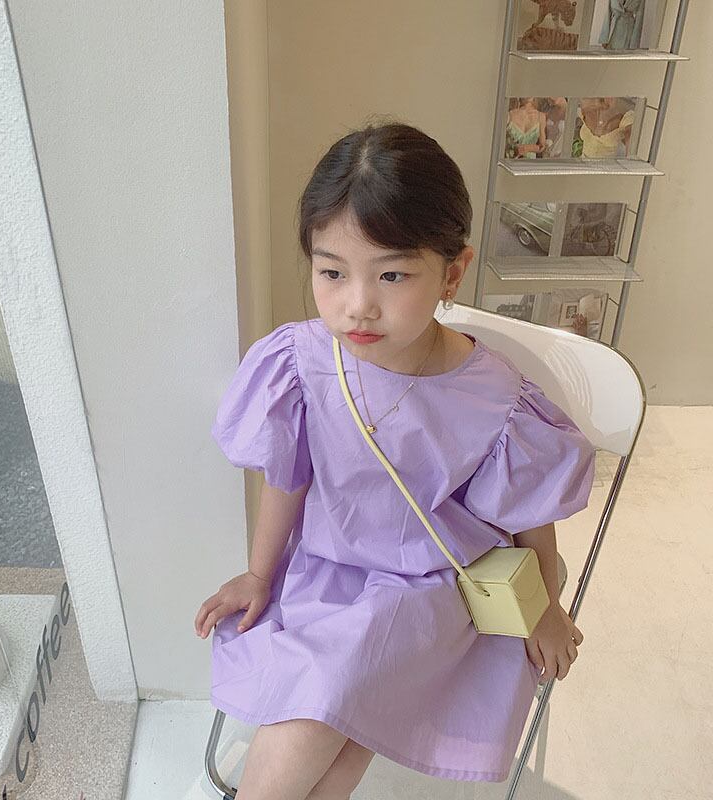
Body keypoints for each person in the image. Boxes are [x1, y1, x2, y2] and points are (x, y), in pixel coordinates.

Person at [194, 122, 595, 796]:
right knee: (336, 707)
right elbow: (288, 477)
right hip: (326, 572)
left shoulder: (495, 397)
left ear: (452, 272)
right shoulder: (301, 363)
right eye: (331, 272)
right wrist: (260, 574)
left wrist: (548, 606)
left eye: (392, 274)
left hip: (427, 589)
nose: (358, 305)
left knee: (327, 691)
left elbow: (529, 517)